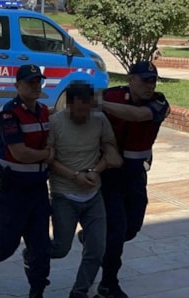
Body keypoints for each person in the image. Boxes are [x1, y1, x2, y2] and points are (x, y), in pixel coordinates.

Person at [0, 64, 53, 298]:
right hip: (10, 189)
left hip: (37, 189)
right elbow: (20, 153)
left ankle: (37, 291)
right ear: (17, 86)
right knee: (6, 246)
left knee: (41, 247)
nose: (35, 86)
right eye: (30, 82)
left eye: (38, 82)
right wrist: (48, 155)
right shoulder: (8, 113)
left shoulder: (44, 111)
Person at [97, 61, 170, 298]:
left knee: (132, 228)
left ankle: (94, 239)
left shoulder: (159, 103)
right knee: (117, 231)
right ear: (131, 80)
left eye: (153, 81)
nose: (150, 85)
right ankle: (108, 284)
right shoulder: (112, 95)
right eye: (144, 80)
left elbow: (138, 116)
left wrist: (99, 104)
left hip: (136, 175)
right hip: (110, 174)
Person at [47, 82, 121, 298]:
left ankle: (79, 292)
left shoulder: (99, 119)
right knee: (61, 248)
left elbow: (110, 151)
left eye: (87, 109)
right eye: (79, 110)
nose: (84, 115)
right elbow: (49, 161)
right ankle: (33, 253)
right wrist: (74, 176)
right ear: (69, 105)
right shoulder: (55, 123)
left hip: (93, 193)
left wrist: (96, 170)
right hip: (64, 194)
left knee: (97, 249)